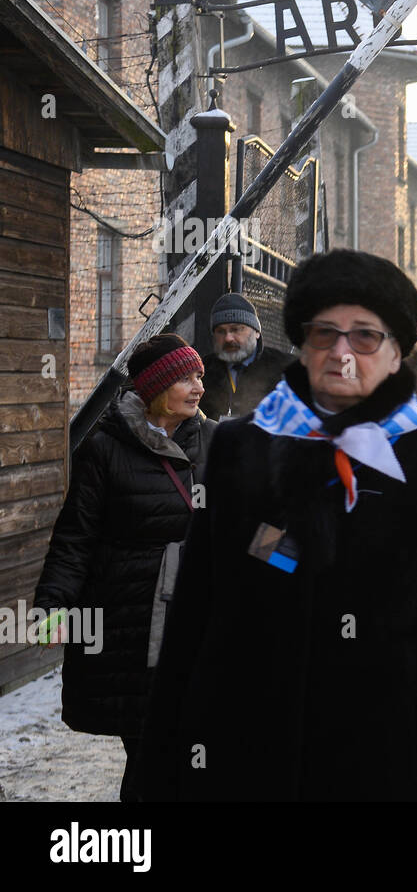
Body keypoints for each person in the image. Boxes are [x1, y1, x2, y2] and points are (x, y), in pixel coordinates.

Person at [134, 248, 417, 801]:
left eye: (364, 336)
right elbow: (197, 613)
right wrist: (158, 773)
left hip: (392, 756)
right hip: (257, 752)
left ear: (396, 352)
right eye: (325, 334)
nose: (342, 353)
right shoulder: (241, 448)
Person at [34, 333, 215, 801]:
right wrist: (53, 603)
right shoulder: (105, 448)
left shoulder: (216, 443)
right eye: (185, 378)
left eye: (199, 375)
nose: (198, 386)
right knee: (149, 750)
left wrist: (289, 560)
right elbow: (77, 536)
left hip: (198, 618)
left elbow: (251, 523)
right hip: (128, 623)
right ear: (155, 388)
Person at [198, 292, 292, 420]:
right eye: (220, 331)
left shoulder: (284, 368)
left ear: (257, 332)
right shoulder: (201, 371)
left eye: (236, 329)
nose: (228, 338)